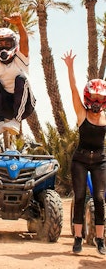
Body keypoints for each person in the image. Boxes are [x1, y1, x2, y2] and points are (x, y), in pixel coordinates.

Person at [62, 50, 106, 255]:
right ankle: (78, 238)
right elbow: (72, 89)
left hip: (99, 162)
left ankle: (100, 240)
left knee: (99, 199)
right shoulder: (81, 113)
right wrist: (70, 67)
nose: (96, 102)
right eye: (94, 98)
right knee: (79, 197)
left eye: (100, 98)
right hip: (79, 160)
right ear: (88, 97)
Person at [0, 13, 36, 135]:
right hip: (7, 105)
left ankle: (16, 121)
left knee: (21, 79)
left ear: (14, 44)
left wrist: (20, 25)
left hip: (25, 105)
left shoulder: (21, 58)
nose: (4, 47)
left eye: (7, 44)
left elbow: (25, 42)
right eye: (0, 45)